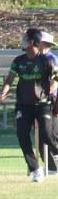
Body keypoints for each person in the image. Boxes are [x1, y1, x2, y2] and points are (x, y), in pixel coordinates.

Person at [0, 28, 58, 183]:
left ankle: (56, 154)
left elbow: (57, 77)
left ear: (31, 42)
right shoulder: (18, 61)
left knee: (46, 133)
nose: (22, 40)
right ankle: (35, 169)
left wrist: (53, 90)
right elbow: (10, 79)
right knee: (22, 134)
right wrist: (5, 90)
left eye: (24, 38)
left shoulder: (47, 60)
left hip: (43, 103)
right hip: (23, 105)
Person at [39, 31, 58, 175]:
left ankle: (54, 166)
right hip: (37, 101)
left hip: (52, 101)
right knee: (41, 136)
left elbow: (55, 80)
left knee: (51, 133)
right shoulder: (33, 60)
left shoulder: (52, 59)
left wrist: (49, 93)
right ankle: (51, 167)